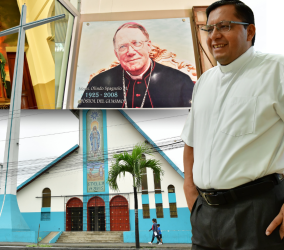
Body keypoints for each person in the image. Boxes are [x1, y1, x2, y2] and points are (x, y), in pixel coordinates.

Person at [181, 1, 284, 249]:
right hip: (204, 215)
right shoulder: (204, 82)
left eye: (224, 26)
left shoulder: (275, 69)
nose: (214, 35)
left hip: (257, 213)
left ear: (249, 32)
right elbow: (191, 141)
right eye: (209, 28)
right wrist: (190, 192)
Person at [77, 22, 194, 108]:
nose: (131, 52)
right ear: (116, 54)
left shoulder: (180, 81)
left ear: (149, 46)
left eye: (136, 43)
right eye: (122, 46)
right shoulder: (98, 82)